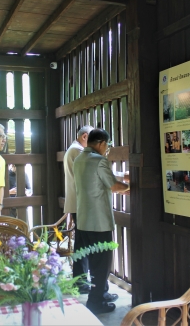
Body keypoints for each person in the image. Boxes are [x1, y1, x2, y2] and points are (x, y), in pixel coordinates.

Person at [73, 129, 130, 314]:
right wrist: (130, 187)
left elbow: (98, 182)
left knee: (93, 260)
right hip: (99, 221)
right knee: (102, 263)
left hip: (83, 220)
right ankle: (95, 302)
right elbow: (113, 185)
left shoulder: (79, 159)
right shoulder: (99, 160)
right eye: (108, 145)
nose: (107, 150)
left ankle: (102, 294)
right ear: (101, 143)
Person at [63, 125, 93, 294]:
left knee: (82, 242)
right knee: (83, 243)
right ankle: (81, 282)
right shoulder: (78, 151)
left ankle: (81, 280)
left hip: (77, 202)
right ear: (84, 136)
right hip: (80, 203)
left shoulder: (72, 149)